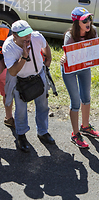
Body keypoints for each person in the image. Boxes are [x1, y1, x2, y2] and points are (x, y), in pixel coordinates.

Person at [3, 20, 53, 152]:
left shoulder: (36, 36)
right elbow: (13, 72)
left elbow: (46, 46)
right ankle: (21, 136)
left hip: (38, 76)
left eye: (29, 33)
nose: (28, 37)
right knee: (20, 110)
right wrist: (24, 56)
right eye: (24, 35)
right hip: (20, 81)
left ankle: (43, 132)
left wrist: (48, 59)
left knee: (43, 106)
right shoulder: (8, 46)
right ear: (15, 36)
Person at [61, 7, 99, 149]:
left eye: (89, 18)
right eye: (84, 20)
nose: (88, 22)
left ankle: (85, 127)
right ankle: (75, 134)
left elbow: (96, 50)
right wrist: (63, 58)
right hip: (70, 70)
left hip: (84, 67)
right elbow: (67, 56)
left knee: (86, 98)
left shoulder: (93, 31)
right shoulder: (69, 36)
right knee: (75, 102)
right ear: (76, 22)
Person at [0, 24, 14, 129]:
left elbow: (11, 51)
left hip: (4, 65)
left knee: (7, 92)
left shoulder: (5, 31)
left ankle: (9, 118)